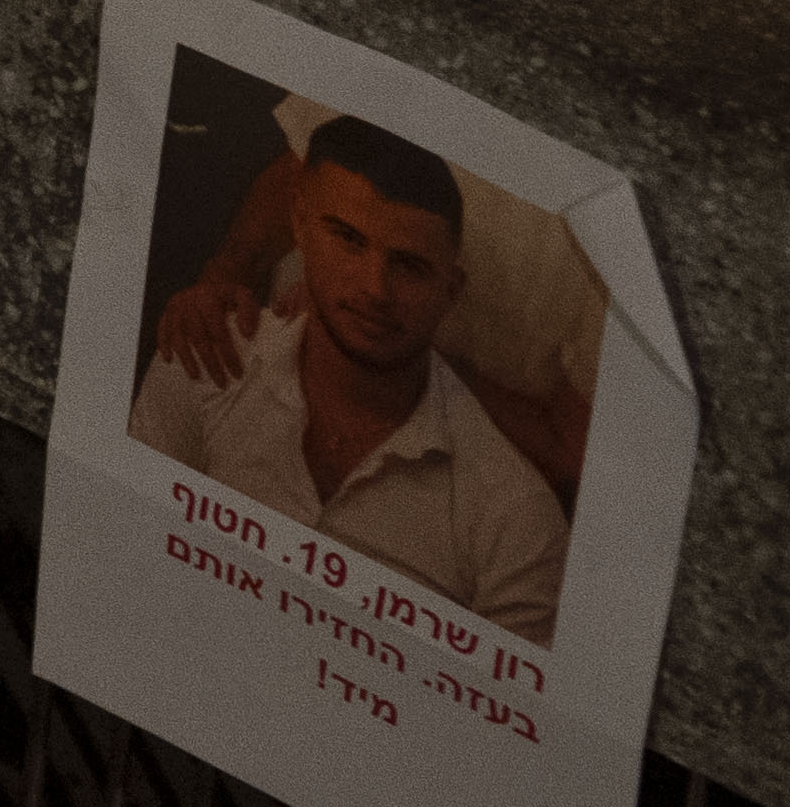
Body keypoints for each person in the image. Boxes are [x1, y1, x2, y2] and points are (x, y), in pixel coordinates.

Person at [122, 106, 575, 639]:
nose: (374, 289)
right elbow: (123, 564)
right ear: (299, 225)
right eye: (348, 240)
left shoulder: (520, 526)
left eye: (409, 266)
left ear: (450, 291)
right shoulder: (202, 361)